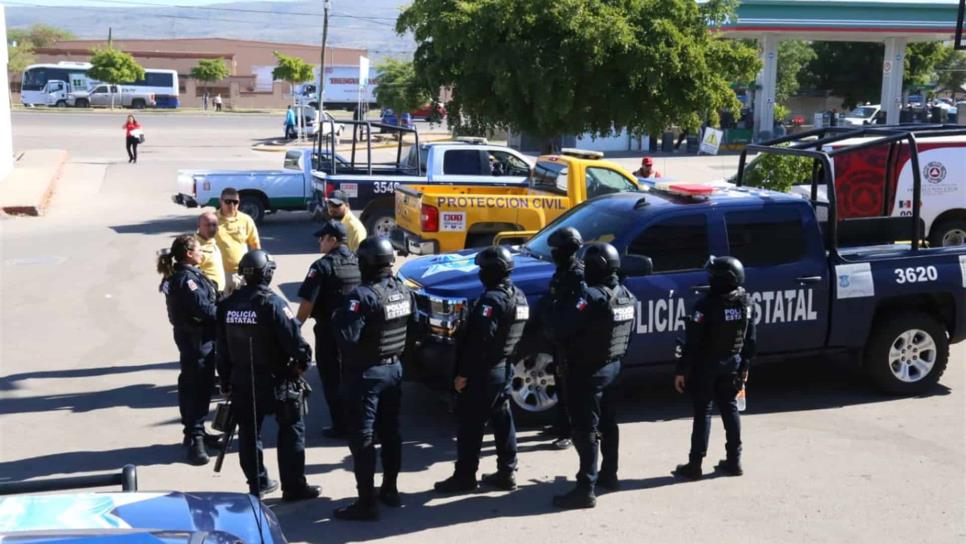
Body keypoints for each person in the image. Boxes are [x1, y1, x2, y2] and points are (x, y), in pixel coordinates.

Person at [216, 249, 320, 502]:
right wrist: (304, 359)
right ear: (267, 274)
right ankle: (293, 486)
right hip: (277, 380)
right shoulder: (273, 304)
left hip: (242, 380)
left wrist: (226, 380)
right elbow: (295, 342)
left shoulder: (227, 305)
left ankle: (257, 483)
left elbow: (222, 348)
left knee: (249, 433)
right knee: (292, 430)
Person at [550, 242, 637, 509]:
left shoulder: (590, 297)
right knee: (609, 424)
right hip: (613, 368)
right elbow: (629, 334)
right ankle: (609, 475)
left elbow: (561, 327)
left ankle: (585, 488)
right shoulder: (627, 296)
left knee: (585, 430)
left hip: (587, 372)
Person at [434, 246, 528, 494]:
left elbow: (480, 343)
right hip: (504, 367)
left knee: (470, 426)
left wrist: (463, 374)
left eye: (483, 270)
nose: (480, 274)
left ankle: (464, 477)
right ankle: (507, 472)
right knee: (502, 420)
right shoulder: (519, 296)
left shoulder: (491, 301)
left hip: (485, 372)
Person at [332, 236, 413, 521]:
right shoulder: (402, 291)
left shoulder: (361, 296)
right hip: (393, 370)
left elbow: (346, 337)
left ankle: (366, 504)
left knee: (363, 437)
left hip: (366, 375)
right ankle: (389, 489)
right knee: (391, 432)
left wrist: (337, 316)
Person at [672, 256, 756, 480]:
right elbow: (751, 339)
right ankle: (734, 461)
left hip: (706, 367)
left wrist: (682, 370)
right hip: (733, 363)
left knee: (703, 413)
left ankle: (695, 465)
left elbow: (692, 342)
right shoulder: (746, 303)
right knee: (730, 409)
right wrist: (745, 364)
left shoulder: (706, 305)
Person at [157, 234, 219, 465]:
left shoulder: (186, 275)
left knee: (202, 385)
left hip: (196, 338)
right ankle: (195, 439)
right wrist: (225, 310)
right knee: (196, 387)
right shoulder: (185, 280)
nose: (202, 253)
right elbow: (204, 310)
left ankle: (197, 431)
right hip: (196, 339)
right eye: (199, 250)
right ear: (189, 254)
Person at [296, 220, 361, 439]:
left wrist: (295, 328)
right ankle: (358, 421)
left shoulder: (321, 266)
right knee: (353, 377)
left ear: (333, 240)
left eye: (322, 238)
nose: (319, 241)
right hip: (355, 332)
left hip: (329, 333)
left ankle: (341, 425)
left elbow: (307, 302)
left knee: (332, 379)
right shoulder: (357, 261)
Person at [543, 227, 584, 450]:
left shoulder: (577, 275)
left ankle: (570, 431)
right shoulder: (562, 271)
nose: (554, 253)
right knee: (559, 383)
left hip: (571, 341)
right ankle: (561, 424)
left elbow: (578, 310)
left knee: (570, 387)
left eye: (557, 249)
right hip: (559, 337)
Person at [215, 187, 261, 283]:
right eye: (228, 201)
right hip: (219, 274)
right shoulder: (211, 220)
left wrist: (257, 269)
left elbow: (255, 246)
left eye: (235, 202)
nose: (232, 205)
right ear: (220, 201)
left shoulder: (246, 220)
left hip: (242, 274)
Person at [195, 211, 225, 293]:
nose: (211, 228)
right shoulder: (195, 248)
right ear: (198, 226)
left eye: (214, 225)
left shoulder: (212, 242)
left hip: (220, 293)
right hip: (208, 294)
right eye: (207, 225)